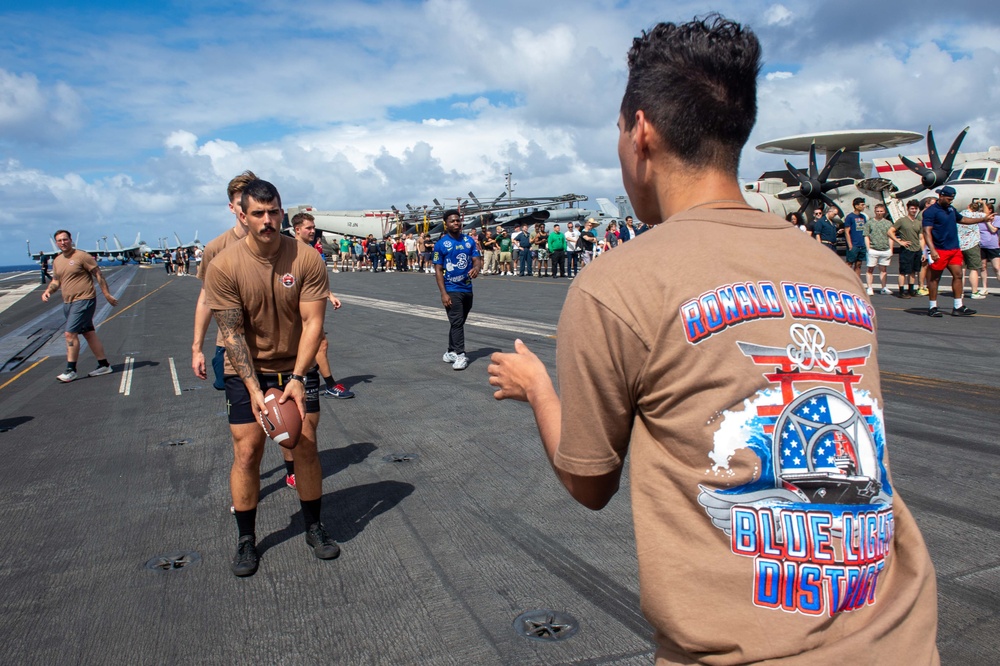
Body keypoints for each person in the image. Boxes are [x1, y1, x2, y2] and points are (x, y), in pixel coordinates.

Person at [487, 15, 939, 663]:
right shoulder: (835, 272)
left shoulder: (616, 283)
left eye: (618, 132)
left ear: (639, 131)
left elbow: (590, 484)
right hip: (901, 640)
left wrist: (537, 389)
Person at [205, 179, 339, 577]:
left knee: (305, 445)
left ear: (282, 213)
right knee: (248, 452)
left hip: (296, 363)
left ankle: (313, 526)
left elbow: (314, 322)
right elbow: (230, 334)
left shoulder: (306, 258)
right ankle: (247, 538)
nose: (267, 221)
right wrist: (255, 392)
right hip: (247, 369)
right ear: (241, 216)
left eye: (274, 212)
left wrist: (298, 377)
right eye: (258, 214)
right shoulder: (224, 265)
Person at [192, 170, 257, 392]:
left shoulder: (277, 245)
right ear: (232, 207)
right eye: (241, 203)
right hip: (230, 346)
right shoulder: (216, 248)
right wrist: (197, 349)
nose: (245, 208)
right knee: (243, 419)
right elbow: (205, 299)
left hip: (273, 347)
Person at [291, 212, 356, 400]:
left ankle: (307, 378)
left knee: (317, 344)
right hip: (301, 306)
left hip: (312, 302)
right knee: (318, 344)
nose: (313, 231)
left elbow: (314, 279)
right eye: (308, 228)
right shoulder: (293, 251)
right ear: (297, 229)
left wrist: (329, 295)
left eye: (313, 227)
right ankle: (328, 384)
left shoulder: (310, 249)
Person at [42, 230, 118, 382]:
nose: (63, 242)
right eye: (59, 240)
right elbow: (56, 281)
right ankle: (104, 365)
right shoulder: (57, 260)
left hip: (84, 300)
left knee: (70, 333)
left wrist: (107, 294)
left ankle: (71, 369)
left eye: (65, 239)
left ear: (71, 240)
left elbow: (98, 275)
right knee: (88, 333)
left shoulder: (82, 256)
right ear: (56, 243)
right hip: (68, 302)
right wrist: (48, 291)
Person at [922, 185, 991, 317]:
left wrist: (983, 219)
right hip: (939, 249)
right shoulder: (931, 212)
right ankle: (932, 306)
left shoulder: (950, 209)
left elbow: (963, 219)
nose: (950, 201)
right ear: (941, 196)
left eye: (951, 199)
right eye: (948, 199)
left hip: (954, 249)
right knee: (935, 278)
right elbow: (927, 231)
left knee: (958, 275)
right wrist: (932, 250)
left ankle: (958, 306)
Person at [434, 209, 481, 371]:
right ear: (445, 224)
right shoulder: (441, 244)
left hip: (467, 288)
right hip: (451, 289)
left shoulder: (469, 241)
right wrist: (443, 293)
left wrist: (476, 268)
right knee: (456, 322)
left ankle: (449, 351)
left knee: (458, 322)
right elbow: (438, 270)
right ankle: (460, 354)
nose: (456, 223)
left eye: (457, 220)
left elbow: (476, 259)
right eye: (452, 221)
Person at [888, 199, 925, 298]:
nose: (914, 210)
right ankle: (901, 291)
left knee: (913, 271)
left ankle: (911, 290)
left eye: (915, 209)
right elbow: (890, 231)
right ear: (907, 209)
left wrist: (923, 252)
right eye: (912, 208)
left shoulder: (918, 222)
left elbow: (921, 238)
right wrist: (900, 241)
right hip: (906, 249)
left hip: (917, 249)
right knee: (903, 271)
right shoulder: (902, 221)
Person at [863, 203, 895, 295]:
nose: (879, 213)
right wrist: (868, 248)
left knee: (883, 270)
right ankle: (869, 287)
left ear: (884, 212)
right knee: (870, 269)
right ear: (875, 211)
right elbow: (866, 235)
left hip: (885, 249)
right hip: (873, 249)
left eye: (881, 211)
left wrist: (891, 249)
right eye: (877, 211)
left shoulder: (888, 223)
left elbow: (890, 237)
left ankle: (884, 287)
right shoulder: (869, 222)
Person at [958, 201, 985, 298]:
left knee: (961, 270)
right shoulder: (976, 215)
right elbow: (987, 215)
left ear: (968, 206)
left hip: (960, 244)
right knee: (973, 269)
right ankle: (974, 292)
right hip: (972, 244)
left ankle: (959, 292)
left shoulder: (960, 214)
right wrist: (983, 203)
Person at [978, 202, 999, 296]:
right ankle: (984, 287)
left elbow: (994, 230)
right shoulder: (979, 219)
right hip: (982, 245)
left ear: (990, 210)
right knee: (983, 267)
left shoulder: (997, 218)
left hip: (993, 245)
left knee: (996, 267)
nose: (982, 212)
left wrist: (987, 221)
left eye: (983, 210)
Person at [844, 197, 868, 277]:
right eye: (862, 205)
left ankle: (857, 281)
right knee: (849, 263)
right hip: (854, 244)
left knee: (858, 264)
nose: (864, 206)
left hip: (861, 244)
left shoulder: (863, 217)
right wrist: (850, 244)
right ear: (856, 206)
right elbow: (847, 231)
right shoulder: (850, 217)